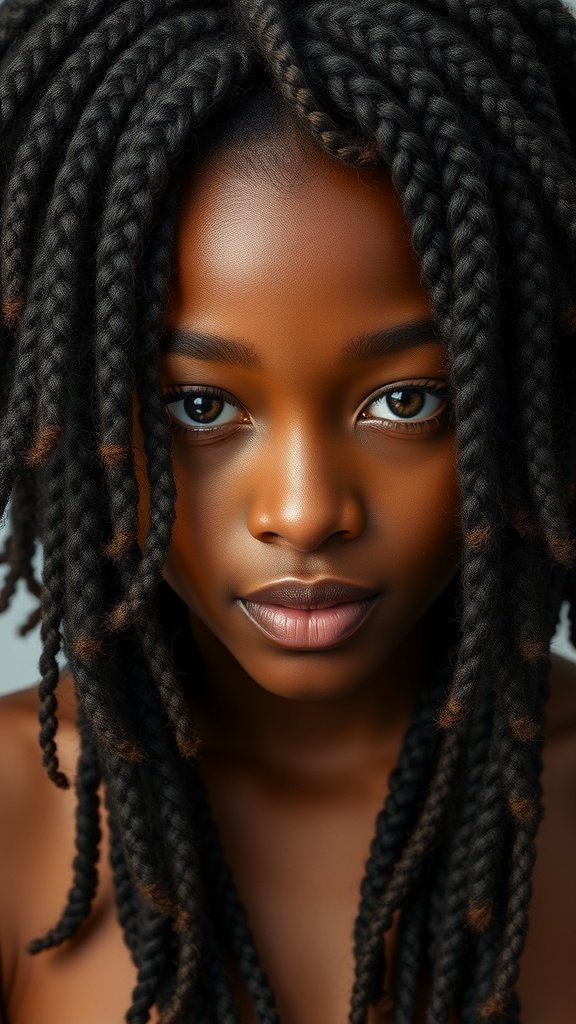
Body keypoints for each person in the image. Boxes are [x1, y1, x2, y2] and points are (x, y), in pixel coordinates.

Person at [0, 0, 575, 1021]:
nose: (305, 514)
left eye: (407, 402)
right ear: (71, 406)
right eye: (200, 407)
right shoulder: (13, 814)